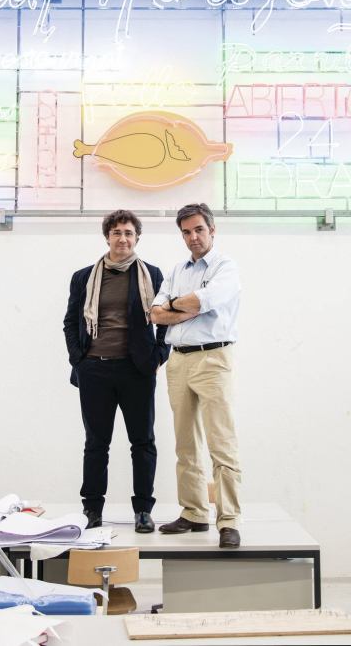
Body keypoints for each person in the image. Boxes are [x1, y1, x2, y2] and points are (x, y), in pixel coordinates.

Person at [63, 210, 168, 533]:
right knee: (96, 443)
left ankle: (143, 511)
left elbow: (164, 320)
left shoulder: (151, 274)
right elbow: (71, 321)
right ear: (107, 236)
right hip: (95, 371)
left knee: (143, 442)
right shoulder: (84, 277)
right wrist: (78, 359)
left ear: (137, 238)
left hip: (136, 370)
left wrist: (157, 356)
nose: (123, 238)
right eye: (117, 232)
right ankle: (92, 509)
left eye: (129, 233)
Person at [150, 203, 243, 549]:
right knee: (185, 443)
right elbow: (156, 314)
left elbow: (207, 300)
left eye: (198, 230)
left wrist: (178, 305)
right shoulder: (176, 270)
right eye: (186, 232)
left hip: (213, 358)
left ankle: (229, 519)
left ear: (212, 230)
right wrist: (182, 305)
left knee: (222, 443)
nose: (193, 237)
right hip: (178, 362)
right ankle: (194, 512)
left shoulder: (225, 267)